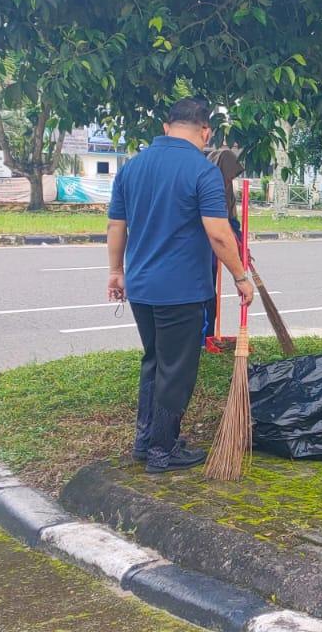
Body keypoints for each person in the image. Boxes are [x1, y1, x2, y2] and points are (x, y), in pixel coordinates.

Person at [106, 98, 254, 474]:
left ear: (165, 125)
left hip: (140, 287)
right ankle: (162, 451)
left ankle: (146, 441)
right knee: (177, 369)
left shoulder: (132, 167)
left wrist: (115, 272)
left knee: (155, 361)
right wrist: (240, 275)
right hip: (182, 290)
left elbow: (115, 227)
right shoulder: (201, 171)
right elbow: (219, 234)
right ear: (206, 132)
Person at [200, 145, 246, 341]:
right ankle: (202, 338)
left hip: (216, 248)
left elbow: (231, 220)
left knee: (211, 294)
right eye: (228, 175)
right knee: (203, 294)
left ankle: (209, 336)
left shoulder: (227, 189)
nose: (231, 180)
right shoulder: (204, 184)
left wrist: (239, 242)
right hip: (201, 248)